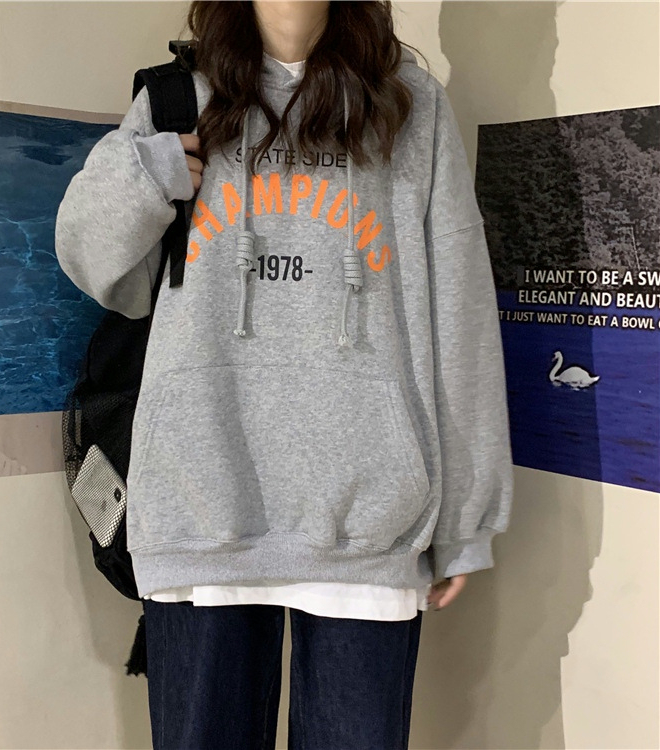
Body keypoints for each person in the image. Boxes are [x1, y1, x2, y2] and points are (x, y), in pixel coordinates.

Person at [55, 1, 514, 748]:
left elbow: (458, 311)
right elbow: (93, 263)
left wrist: (466, 520)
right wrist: (147, 172)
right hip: (202, 503)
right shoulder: (179, 97)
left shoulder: (411, 105)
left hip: (368, 521)